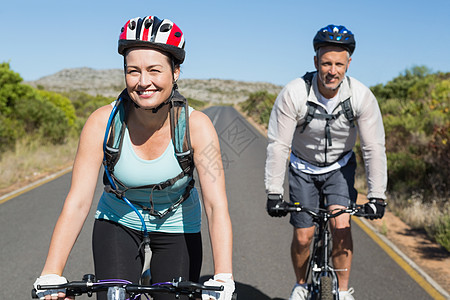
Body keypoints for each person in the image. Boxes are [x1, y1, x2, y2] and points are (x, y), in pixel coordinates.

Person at [34, 15, 234, 300]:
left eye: (154, 70)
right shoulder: (102, 122)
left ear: (175, 72)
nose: (143, 82)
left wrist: (224, 276)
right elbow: (77, 201)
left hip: (177, 224)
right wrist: (51, 273)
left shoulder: (198, 127)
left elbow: (216, 205)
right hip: (118, 221)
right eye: (133, 71)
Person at [265, 25, 387, 300]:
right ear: (316, 62)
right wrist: (274, 191)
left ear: (348, 64)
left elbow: (373, 148)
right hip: (302, 168)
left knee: (341, 226)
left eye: (339, 64)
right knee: (303, 236)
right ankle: (299, 283)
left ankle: (343, 291)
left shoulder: (361, 96)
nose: (332, 71)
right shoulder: (294, 93)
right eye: (326, 63)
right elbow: (278, 145)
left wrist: (378, 195)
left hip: (339, 169)